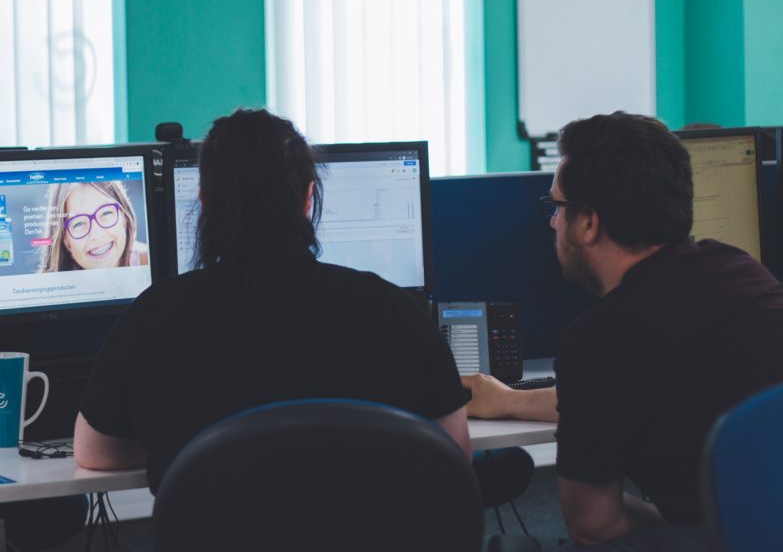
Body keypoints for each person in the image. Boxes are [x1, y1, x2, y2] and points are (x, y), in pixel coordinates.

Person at [73, 108, 471, 491]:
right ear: (308, 199)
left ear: (205, 203)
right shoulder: (393, 309)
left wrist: (176, 442)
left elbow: (95, 454)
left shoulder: (153, 317)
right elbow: (454, 453)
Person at [462, 112, 783, 551]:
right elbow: (635, 393)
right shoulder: (741, 270)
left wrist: (688, 528)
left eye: (556, 208)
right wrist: (511, 400)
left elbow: (594, 525)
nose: (553, 224)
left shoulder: (599, 341)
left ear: (590, 223)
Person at [39, 181, 148, 271]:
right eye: (79, 223)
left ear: (124, 219)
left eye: (106, 213)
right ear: (66, 242)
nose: (97, 234)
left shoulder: (148, 262)